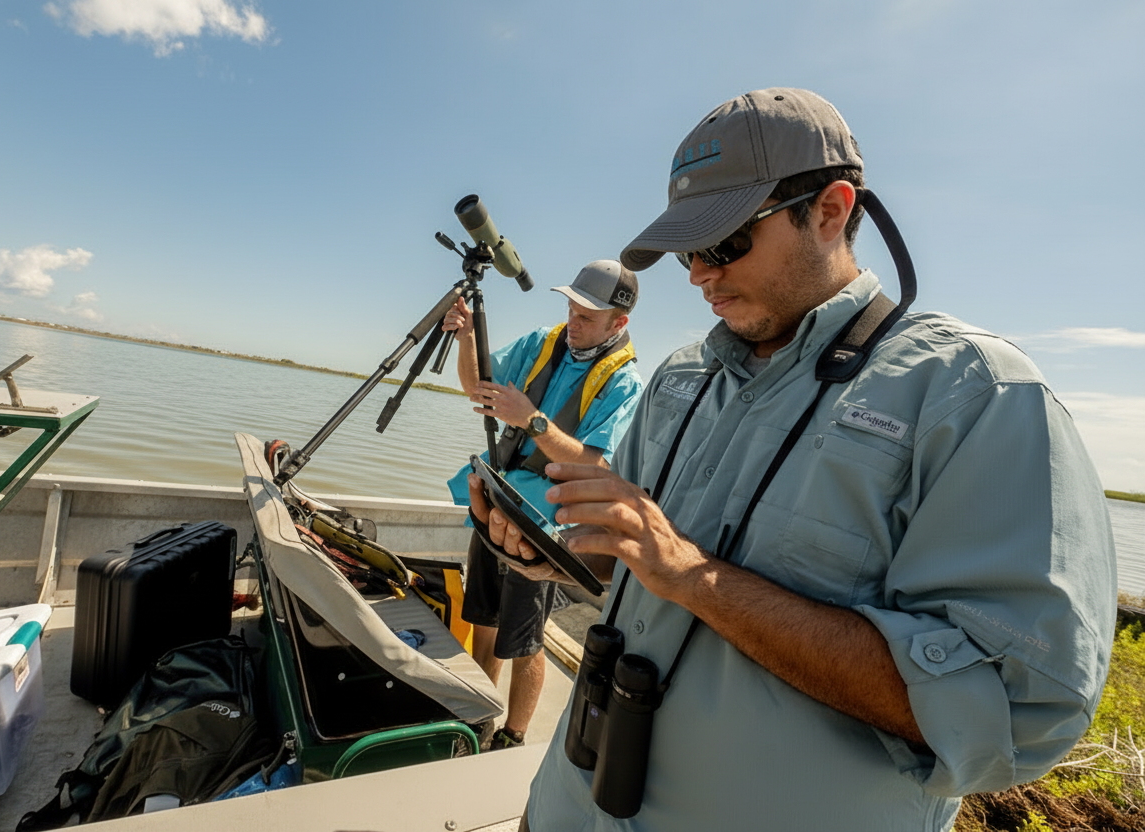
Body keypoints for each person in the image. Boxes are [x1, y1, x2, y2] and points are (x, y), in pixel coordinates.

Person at [469, 88, 1117, 830]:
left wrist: (696, 578)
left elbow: (1016, 718)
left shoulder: (975, 396)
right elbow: (635, 562)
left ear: (832, 211)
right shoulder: (681, 379)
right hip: (568, 805)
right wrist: (555, 555)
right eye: (687, 251)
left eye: (724, 243)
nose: (698, 275)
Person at [443, 259, 644, 751]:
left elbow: (597, 467)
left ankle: (513, 736)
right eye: (572, 309)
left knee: (525, 638)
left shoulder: (626, 385)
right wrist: (466, 339)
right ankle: (482, 717)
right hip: (495, 504)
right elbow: (476, 387)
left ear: (619, 323)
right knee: (484, 620)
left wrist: (532, 421)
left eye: (587, 317)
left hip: (544, 533)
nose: (573, 323)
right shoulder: (541, 343)